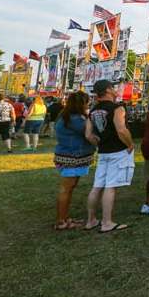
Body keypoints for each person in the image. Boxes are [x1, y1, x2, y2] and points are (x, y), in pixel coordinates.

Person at [86, 80, 136, 233]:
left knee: (97, 186)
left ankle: (91, 220)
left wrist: (99, 142)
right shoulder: (117, 108)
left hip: (103, 152)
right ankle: (107, 222)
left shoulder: (93, 111)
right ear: (108, 90)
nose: (115, 90)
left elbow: (88, 135)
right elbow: (121, 129)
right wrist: (130, 144)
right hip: (118, 151)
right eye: (113, 88)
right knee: (110, 187)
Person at [53, 91, 96, 230]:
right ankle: (61, 221)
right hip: (73, 157)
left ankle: (65, 218)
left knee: (69, 189)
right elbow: (90, 132)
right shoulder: (76, 119)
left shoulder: (65, 116)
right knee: (66, 189)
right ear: (82, 104)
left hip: (68, 155)